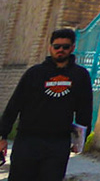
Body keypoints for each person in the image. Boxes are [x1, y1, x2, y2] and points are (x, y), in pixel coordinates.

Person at [0, 28, 92, 181]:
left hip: (58, 142)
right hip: (27, 139)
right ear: (50, 48)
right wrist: (3, 136)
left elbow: (85, 110)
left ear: (72, 48)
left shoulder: (80, 75)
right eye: (57, 47)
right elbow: (14, 104)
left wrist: (79, 141)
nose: (60, 50)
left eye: (65, 47)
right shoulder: (34, 73)